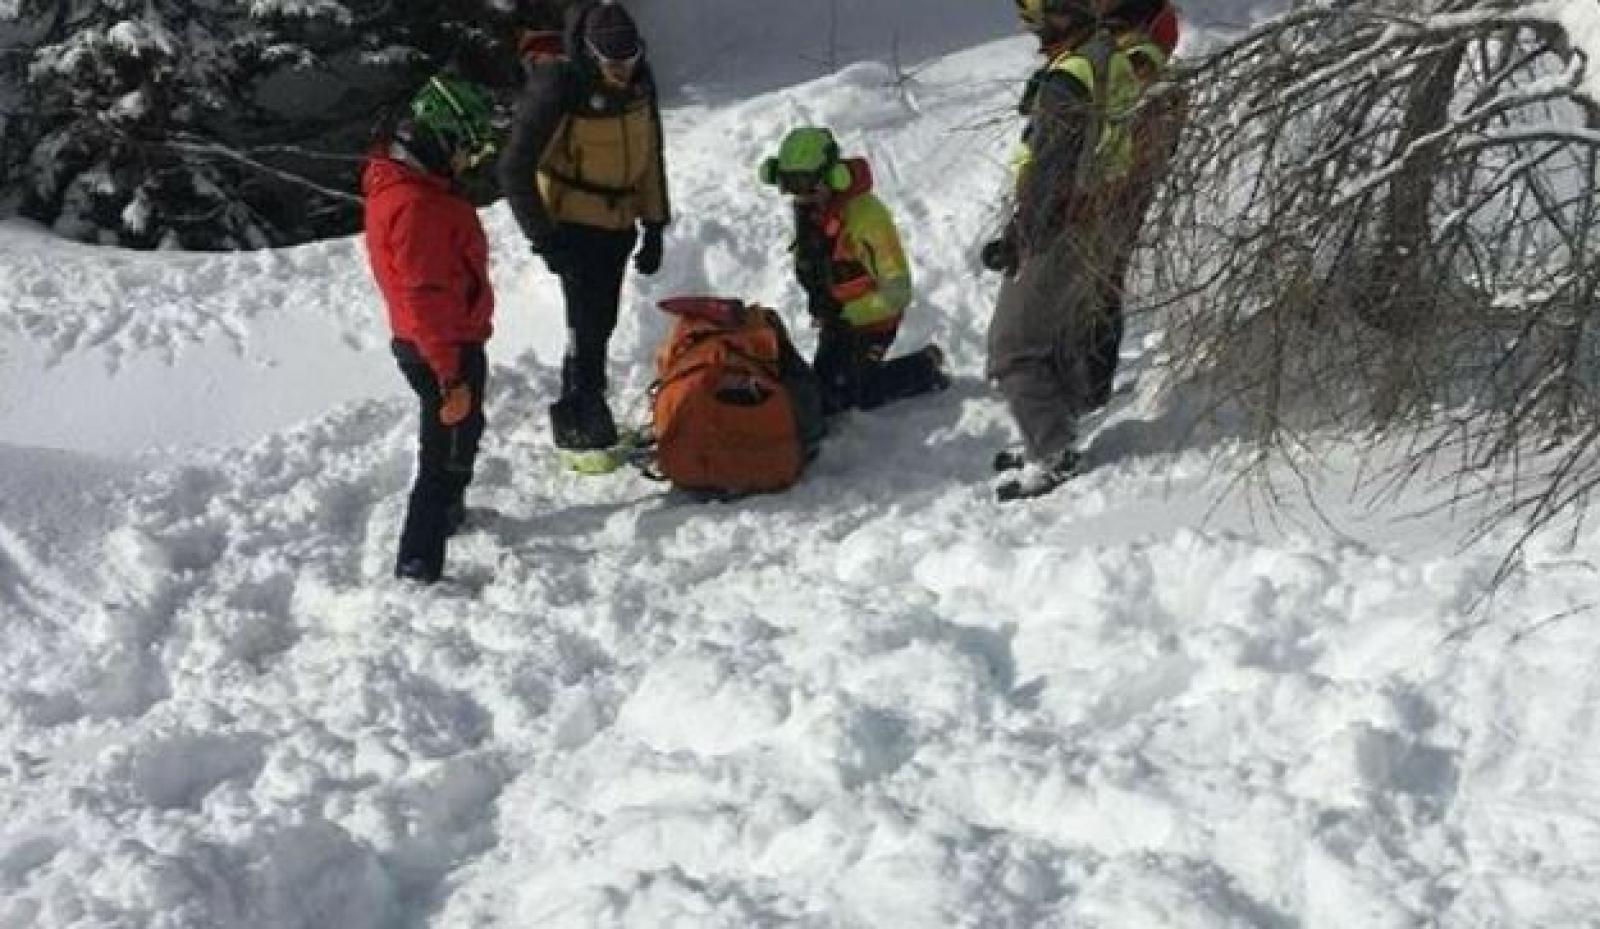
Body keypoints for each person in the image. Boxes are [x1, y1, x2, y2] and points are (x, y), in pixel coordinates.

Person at [982, 0, 1176, 501]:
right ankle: (1052, 432)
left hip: (1064, 224)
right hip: (1098, 214)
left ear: (1059, 17)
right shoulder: (1106, 57)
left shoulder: (1069, 77)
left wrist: (1022, 235)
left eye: (1035, 18)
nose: (1030, 30)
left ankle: (1053, 451)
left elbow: (1052, 171)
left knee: (1013, 345)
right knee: (1062, 332)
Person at [498, 0, 669, 454]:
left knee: (601, 320)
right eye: (613, 62)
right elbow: (514, 169)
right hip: (574, 225)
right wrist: (545, 239)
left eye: (630, 58)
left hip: (620, 221)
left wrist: (655, 225)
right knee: (585, 325)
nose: (623, 70)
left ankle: (587, 408)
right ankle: (579, 417)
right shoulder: (560, 86)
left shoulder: (640, 82)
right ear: (591, 53)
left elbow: (650, 155)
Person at [363, 75, 499, 583]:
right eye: (466, 148)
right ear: (440, 139)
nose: (469, 161)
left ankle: (448, 514)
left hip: (450, 337)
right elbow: (424, 296)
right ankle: (418, 561)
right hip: (439, 347)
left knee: (465, 431)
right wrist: (449, 375)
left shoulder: (416, 189)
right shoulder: (416, 205)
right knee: (441, 453)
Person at [760, 126, 949, 415]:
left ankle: (925, 367)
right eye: (790, 186)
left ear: (833, 178)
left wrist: (845, 315)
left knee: (847, 396)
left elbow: (897, 292)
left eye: (807, 185)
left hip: (873, 318)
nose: (800, 196)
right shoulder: (812, 212)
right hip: (837, 319)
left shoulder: (867, 218)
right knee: (821, 394)